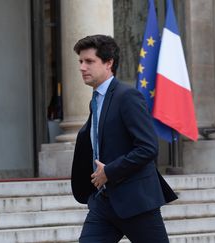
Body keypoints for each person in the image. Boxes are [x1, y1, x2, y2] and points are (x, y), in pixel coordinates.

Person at [70, 34, 178, 243]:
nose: (82, 67)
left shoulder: (127, 96)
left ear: (109, 63)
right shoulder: (96, 101)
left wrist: (108, 172)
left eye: (89, 61)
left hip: (136, 202)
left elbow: (147, 148)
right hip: (103, 203)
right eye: (81, 62)